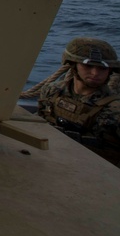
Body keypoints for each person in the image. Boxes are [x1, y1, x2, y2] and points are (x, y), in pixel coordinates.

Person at [37, 37, 120, 166]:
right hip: (53, 160)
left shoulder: (115, 109)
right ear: (73, 65)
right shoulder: (52, 91)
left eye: (102, 69)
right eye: (88, 66)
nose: (95, 73)